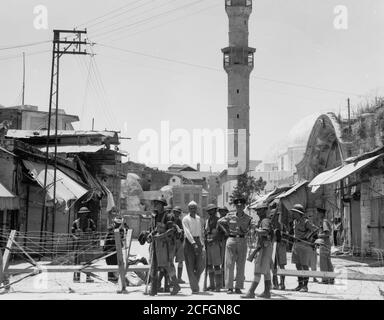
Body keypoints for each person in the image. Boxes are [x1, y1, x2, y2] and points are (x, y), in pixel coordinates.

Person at [145, 197, 181, 296]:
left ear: (162, 205)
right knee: (154, 265)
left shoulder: (168, 216)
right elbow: (154, 229)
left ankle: (175, 285)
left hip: (166, 244)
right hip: (156, 244)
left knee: (167, 265)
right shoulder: (155, 216)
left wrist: (160, 236)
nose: (155, 205)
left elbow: (171, 230)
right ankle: (154, 289)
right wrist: (150, 234)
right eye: (155, 203)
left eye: (157, 203)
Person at [218, 196, 254, 294]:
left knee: (241, 264)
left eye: (241, 205)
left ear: (244, 206)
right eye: (237, 205)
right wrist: (226, 231)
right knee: (229, 264)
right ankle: (229, 287)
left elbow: (252, 227)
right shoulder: (230, 216)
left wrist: (247, 231)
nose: (239, 206)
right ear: (235, 206)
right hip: (231, 239)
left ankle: (238, 287)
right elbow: (219, 222)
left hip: (242, 240)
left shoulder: (248, 218)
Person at [241, 202, 273, 299]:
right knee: (266, 271)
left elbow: (265, 232)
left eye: (259, 210)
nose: (258, 212)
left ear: (264, 210)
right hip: (265, 246)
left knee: (258, 270)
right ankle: (267, 292)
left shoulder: (265, 221)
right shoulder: (263, 220)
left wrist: (256, 229)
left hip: (264, 247)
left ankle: (251, 292)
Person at [290, 204, 317, 292]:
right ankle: (300, 285)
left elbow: (315, 230)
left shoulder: (306, 222)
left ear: (299, 213)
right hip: (296, 245)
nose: (293, 214)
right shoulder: (295, 222)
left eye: (294, 212)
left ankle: (305, 286)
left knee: (304, 266)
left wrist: (306, 237)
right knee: (298, 266)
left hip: (304, 246)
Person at [182, 201, 205, 294]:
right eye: (191, 208)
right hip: (189, 243)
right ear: (188, 209)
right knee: (190, 265)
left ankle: (194, 282)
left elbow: (200, 232)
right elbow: (187, 232)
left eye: (194, 208)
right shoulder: (185, 219)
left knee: (200, 265)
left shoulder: (199, 218)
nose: (193, 210)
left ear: (196, 209)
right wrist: (193, 243)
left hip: (198, 241)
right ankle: (194, 288)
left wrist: (201, 243)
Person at [72, 206, 97, 283]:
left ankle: (88, 277)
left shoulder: (91, 222)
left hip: (88, 243)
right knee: (77, 260)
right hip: (79, 243)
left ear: (87, 214)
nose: (84, 215)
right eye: (82, 214)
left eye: (85, 214)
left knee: (88, 260)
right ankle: (77, 277)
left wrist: (92, 236)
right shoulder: (75, 223)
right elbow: (72, 233)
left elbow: (95, 232)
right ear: (80, 214)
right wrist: (75, 237)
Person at [204, 204, 223, 292]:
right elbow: (205, 231)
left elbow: (219, 233)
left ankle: (218, 285)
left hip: (215, 243)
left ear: (215, 211)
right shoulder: (208, 220)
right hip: (208, 243)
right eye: (209, 210)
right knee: (209, 265)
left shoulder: (219, 220)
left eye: (212, 210)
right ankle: (212, 285)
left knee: (216, 265)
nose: (210, 212)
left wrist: (213, 239)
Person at [103, 216, 128, 283]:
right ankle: (111, 279)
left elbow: (123, 235)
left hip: (117, 250)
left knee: (117, 264)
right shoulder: (111, 227)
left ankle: (116, 279)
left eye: (119, 224)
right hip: (108, 249)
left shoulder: (122, 229)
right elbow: (114, 234)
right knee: (110, 265)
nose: (118, 225)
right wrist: (120, 227)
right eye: (117, 223)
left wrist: (124, 226)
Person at [270, 201, 288, 290]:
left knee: (281, 266)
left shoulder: (282, 225)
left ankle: (282, 283)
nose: (274, 217)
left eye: (276, 215)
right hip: (272, 246)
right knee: (273, 266)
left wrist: (282, 239)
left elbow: (287, 237)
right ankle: (275, 283)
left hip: (280, 246)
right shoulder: (269, 225)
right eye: (272, 216)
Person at [316, 208, 334, 284]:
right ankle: (331, 278)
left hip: (324, 244)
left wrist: (318, 235)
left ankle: (325, 279)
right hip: (326, 244)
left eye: (318, 213)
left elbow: (327, 233)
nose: (317, 214)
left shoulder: (324, 222)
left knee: (323, 262)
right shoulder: (324, 221)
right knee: (327, 261)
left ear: (321, 214)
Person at [173, 206, 186, 284]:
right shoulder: (170, 220)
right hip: (171, 242)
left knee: (180, 261)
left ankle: (179, 278)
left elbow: (182, 231)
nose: (176, 214)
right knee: (170, 261)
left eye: (178, 212)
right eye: (175, 212)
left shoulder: (180, 221)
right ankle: (173, 278)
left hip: (178, 242)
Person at [217, 206, 229, 288]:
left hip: (225, 241)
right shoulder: (218, 220)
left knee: (224, 262)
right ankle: (218, 282)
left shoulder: (227, 221)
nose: (222, 213)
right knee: (218, 262)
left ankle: (224, 282)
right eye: (220, 211)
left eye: (223, 211)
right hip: (218, 241)